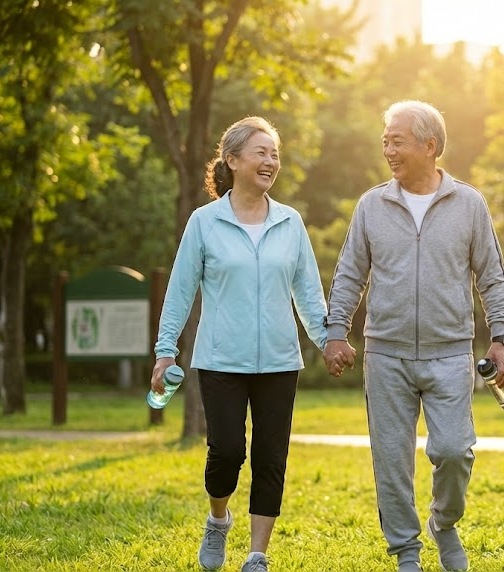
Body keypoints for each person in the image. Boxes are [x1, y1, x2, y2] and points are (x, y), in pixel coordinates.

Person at [323, 100, 504, 572]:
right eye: (385, 140)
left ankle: (444, 524)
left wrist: (500, 337)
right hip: (385, 354)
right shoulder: (372, 205)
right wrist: (335, 331)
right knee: (391, 462)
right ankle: (406, 551)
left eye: (397, 140)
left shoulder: (468, 203)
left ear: (430, 146)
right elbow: (350, 274)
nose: (388, 149)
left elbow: (492, 275)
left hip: (449, 353)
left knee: (453, 451)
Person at [151, 116, 330, 572]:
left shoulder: (290, 222)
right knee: (227, 450)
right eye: (261, 153)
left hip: (278, 360)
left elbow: (308, 294)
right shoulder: (204, 222)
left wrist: (328, 340)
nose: (271, 161)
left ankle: (257, 555)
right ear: (232, 161)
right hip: (220, 359)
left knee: (272, 456)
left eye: (274, 153)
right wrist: (165, 349)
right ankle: (217, 519)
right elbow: (180, 289)